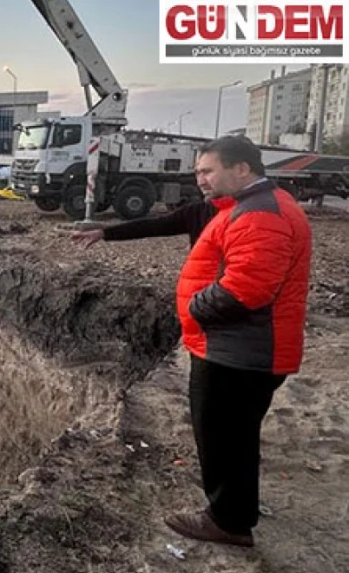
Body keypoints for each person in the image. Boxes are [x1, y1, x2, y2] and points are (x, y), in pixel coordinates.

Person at [70, 135, 312, 547]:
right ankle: (237, 507)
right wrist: (106, 235)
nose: (200, 178)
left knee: (221, 435)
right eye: (198, 171)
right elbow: (164, 226)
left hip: (237, 353)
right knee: (235, 435)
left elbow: (246, 290)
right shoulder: (245, 208)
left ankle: (228, 522)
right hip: (241, 348)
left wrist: (195, 309)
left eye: (208, 170)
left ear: (241, 169)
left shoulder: (261, 215)